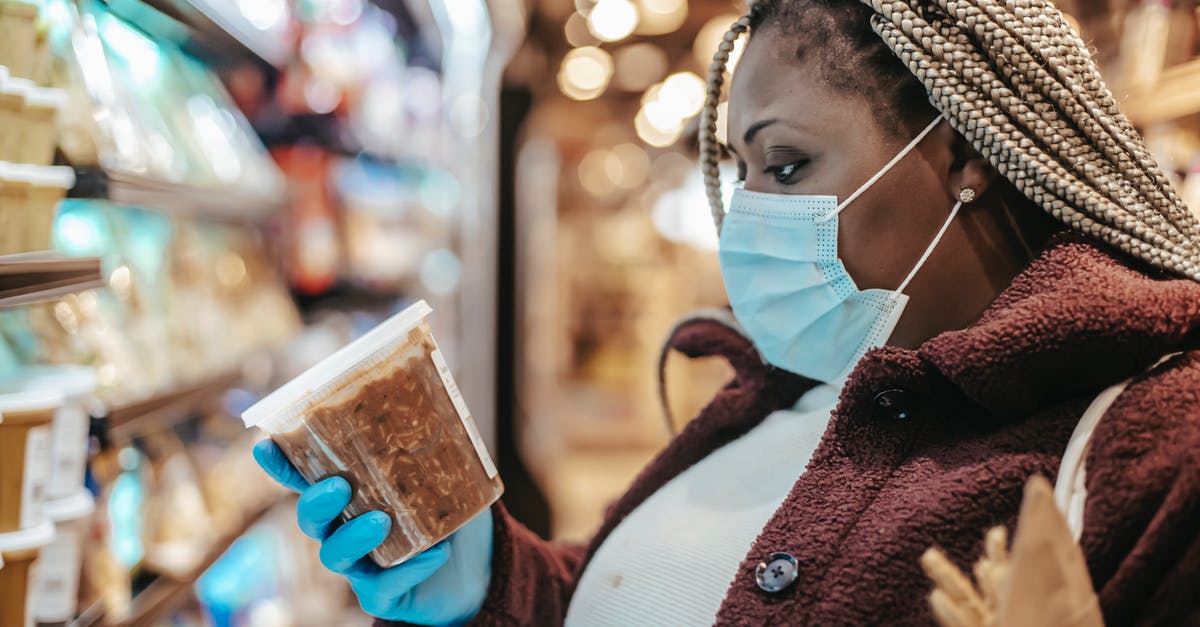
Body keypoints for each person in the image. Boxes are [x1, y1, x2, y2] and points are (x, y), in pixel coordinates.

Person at [254, 0, 1200, 624]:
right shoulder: (784, 392)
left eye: (786, 165)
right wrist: (494, 583)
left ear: (964, 151)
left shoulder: (1153, 443)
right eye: (740, 174)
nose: (749, 214)